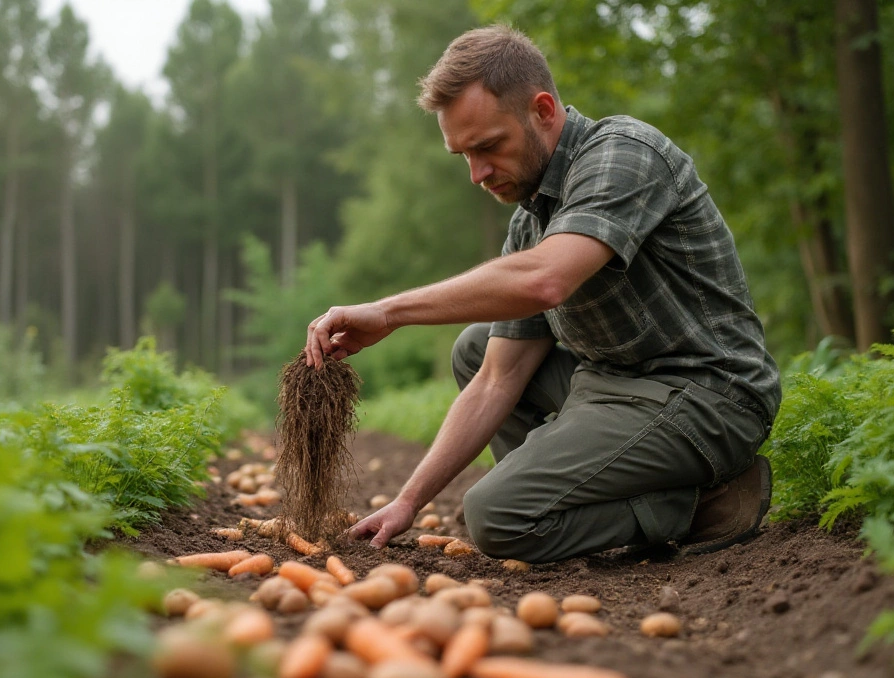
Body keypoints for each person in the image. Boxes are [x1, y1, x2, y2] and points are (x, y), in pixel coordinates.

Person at [303, 26, 781, 564]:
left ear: (543, 110)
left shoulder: (623, 154)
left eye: (488, 147)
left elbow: (544, 280)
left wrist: (390, 312)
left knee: (496, 517)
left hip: (707, 397)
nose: (476, 174)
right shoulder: (531, 219)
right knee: (478, 349)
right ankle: (569, 499)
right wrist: (407, 502)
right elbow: (495, 380)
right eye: (462, 155)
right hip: (614, 389)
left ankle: (702, 503)